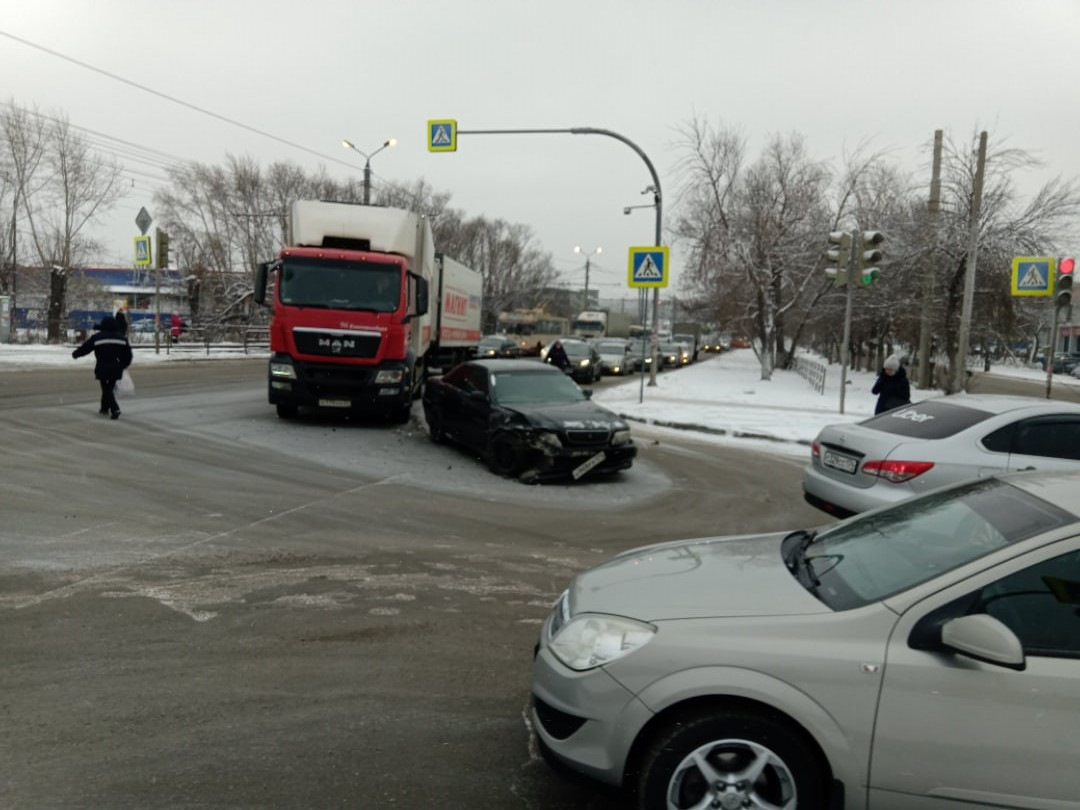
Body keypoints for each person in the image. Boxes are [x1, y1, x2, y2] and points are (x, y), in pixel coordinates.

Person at [71, 314, 133, 420]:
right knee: (109, 388)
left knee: (106, 388)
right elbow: (128, 355)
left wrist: (76, 354)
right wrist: (123, 365)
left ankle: (115, 409)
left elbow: (86, 348)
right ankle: (104, 408)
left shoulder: (97, 337)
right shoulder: (121, 338)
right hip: (116, 366)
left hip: (102, 365)